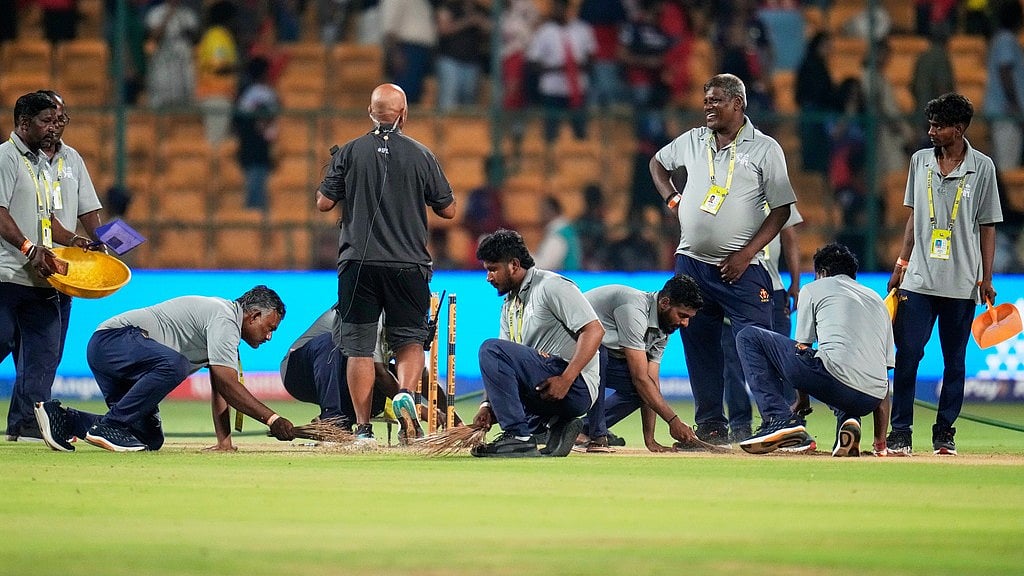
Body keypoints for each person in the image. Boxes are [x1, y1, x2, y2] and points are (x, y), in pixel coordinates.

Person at [648, 73, 797, 445]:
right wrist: (671, 198)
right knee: (699, 346)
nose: (707, 106)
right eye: (706, 100)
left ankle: (778, 419)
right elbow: (657, 163)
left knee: (757, 342)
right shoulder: (693, 140)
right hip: (692, 264)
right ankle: (711, 425)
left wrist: (747, 254)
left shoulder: (765, 149)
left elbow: (781, 210)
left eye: (715, 100)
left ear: (738, 104)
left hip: (742, 269)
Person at [315, 83, 457, 444]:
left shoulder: (347, 153)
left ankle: (363, 429)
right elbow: (448, 209)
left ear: (370, 113)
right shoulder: (422, 155)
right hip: (408, 264)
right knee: (410, 341)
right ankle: (406, 393)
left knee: (359, 347)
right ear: (404, 114)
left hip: (358, 263)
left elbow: (323, 203)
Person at [34, 285, 297, 452]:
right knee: (176, 365)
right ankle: (108, 426)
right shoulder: (224, 317)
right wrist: (272, 419)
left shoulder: (226, 330)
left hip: (120, 358)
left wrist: (224, 443)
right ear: (253, 316)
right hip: (112, 342)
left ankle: (64, 419)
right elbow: (229, 385)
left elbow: (221, 387)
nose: (269, 336)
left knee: (148, 438)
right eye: (270, 328)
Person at [887, 92, 1003, 456]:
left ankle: (944, 432)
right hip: (919, 279)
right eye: (930, 124)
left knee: (955, 361)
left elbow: (987, 226)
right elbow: (913, 217)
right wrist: (901, 264)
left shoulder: (982, 167)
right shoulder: (920, 161)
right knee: (907, 354)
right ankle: (901, 431)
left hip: (962, 282)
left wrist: (986, 277)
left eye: (939, 126)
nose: (931, 131)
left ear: (960, 128)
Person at [735, 242, 894, 457]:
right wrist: (880, 444)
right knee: (841, 368)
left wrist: (801, 400)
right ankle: (849, 421)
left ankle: (777, 419)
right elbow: (883, 377)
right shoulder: (877, 300)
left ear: (822, 272)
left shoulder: (813, 288)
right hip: (869, 398)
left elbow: (802, 347)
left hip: (834, 381)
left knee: (749, 336)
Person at [470, 229, 604, 458]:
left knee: (490, 349)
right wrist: (487, 406)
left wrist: (566, 379)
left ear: (513, 265)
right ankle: (556, 425)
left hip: (572, 386)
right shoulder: (509, 305)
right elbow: (502, 368)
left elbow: (594, 330)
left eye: (493, 269)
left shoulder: (552, 286)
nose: (488, 277)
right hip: (546, 390)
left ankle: (519, 437)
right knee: (496, 355)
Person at [1, 92, 82, 442]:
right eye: (46, 121)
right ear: (23, 123)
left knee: (43, 358)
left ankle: (29, 425)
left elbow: (46, 218)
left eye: (57, 121)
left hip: (43, 278)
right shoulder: (5, 157)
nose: (54, 128)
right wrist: (27, 247)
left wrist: (74, 239)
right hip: (6, 275)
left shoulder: (46, 163)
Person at [576, 274, 702, 453]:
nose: (685, 323)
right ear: (665, 303)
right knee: (600, 356)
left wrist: (650, 441)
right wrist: (674, 421)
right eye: (682, 315)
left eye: (689, 317)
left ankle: (580, 429)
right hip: (564, 347)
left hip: (593, 353)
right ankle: (597, 436)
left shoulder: (664, 328)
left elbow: (650, 382)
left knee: (643, 390)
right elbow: (640, 378)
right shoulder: (634, 309)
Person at [722, 207, 803, 445]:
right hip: (738, 286)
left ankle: (787, 423)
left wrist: (796, 283)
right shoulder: (740, 191)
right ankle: (743, 426)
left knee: (778, 361)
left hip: (770, 290)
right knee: (736, 362)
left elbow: (790, 237)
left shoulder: (776, 196)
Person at [526, 0, 596, 143]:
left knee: (580, 132)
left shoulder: (583, 29)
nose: (558, 11)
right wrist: (557, 69)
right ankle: (550, 160)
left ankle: (579, 160)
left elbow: (591, 58)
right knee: (551, 133)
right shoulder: (544, 31)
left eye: (561, 7)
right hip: (552, 89)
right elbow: (532, 62)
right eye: (555, 8)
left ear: (568, 8)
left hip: (578, 89)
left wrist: (576, 67)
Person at [982, 0, 1024, 172]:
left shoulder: (1000, 39)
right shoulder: (1006, 40)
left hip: (1003, 111)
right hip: (1007, 113)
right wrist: (1014, 104)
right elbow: (1005, 71)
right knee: (1007, 165)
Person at [233, 56, 279, 210]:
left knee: (256, 187)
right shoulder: (259, 94)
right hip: (255, 149)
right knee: (255, 192)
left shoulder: (247, 95)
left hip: (256, 149)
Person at [194, 0, 239, 145]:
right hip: (215, 96)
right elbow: (218, 66)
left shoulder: (220, 35)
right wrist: (239, 67)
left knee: (222, 142)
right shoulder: (216, 35)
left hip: (221, 94)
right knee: (216, 143)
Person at [434, 0, 490, 113]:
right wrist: (469, 21)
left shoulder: (480, 9)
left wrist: (480, 21)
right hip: (450, 60)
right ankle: (444, 129)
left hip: (472, 62)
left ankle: (466, 130)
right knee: (448, 100)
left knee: (468, 101)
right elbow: (443, 29)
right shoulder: (449, 6)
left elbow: (491, 29)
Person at [145, 0, 200, 109]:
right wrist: (168, 16)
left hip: (183, 64)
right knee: (161, 104)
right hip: (163, 64)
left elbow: (195, 38)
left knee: (184, 104)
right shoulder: (156, 13)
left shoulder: (188, 14)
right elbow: (153, 38)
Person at [380, 0, 436, 106]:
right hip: (407, 49)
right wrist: (395, 53)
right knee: (405, 94)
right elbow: (389, 29)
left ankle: (413, 122)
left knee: (417, 95)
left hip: (422, 51)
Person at [533, 195, 581, 271]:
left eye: (542, 211)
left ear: (549, 211)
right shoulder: (568, 230)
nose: (540, 215)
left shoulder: (558, 236)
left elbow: (544, 266)